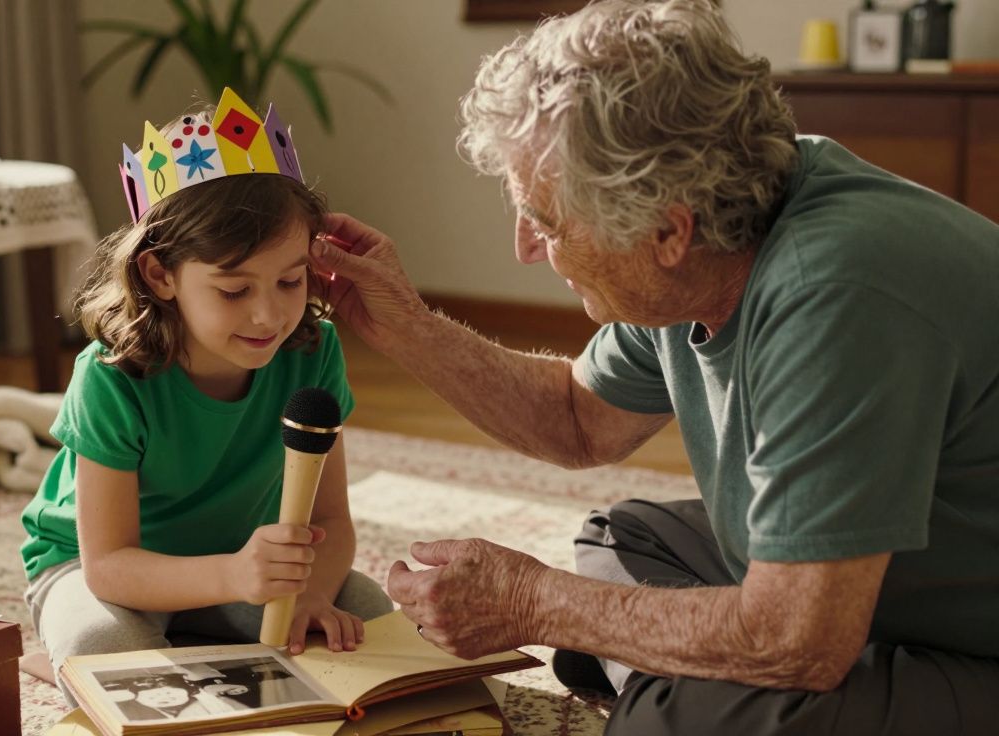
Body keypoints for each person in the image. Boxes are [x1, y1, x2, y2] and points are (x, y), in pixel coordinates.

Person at [307, 0, 999, 733]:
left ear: (668, 229)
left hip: (966, 647)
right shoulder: (712, 241)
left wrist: (536, 603)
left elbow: (797, 641)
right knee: (624, 540)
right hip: (876, 594)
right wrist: (406, 326)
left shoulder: (834, 294)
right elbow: (578, 422)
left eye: (545, 220)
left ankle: (676, 699)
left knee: (699, 712)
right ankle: (679, 685)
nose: (526, 248)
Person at [20, 93, 393, 704]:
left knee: (368, 615)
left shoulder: (313, 352)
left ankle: (198, 645)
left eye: (290, 281)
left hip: (243, 566)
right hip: (110, 573)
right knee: (104, 649)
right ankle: (64, 659)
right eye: (232, 289)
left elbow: (328, 521)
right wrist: (233, 574)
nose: (268, 313)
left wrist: (313, 595)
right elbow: (108, 564)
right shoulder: (112, 377)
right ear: (159, 276)